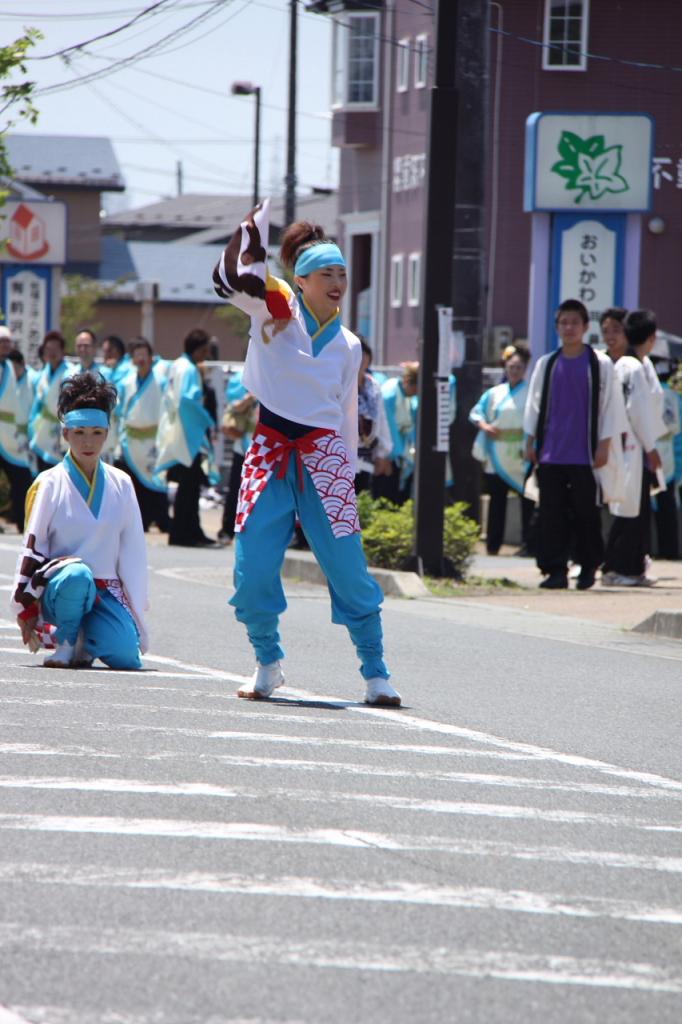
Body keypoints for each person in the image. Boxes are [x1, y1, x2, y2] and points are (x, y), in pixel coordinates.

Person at [212, 198, 399, 707]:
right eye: (326, 274)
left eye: (342, 272)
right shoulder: (271, 310)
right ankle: (267, 662)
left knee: (349, 570)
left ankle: (376, 673)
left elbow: (342, 411)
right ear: (301, 280)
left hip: (326, 458)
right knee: (250, 573)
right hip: (269, 452)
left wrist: (344, 474)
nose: (337, 282)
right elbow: (230, 278)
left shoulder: (350, 345)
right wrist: (253, 233)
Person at [11, 372, 148, 669]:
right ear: (65, 434)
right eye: (80, 432)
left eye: (97, 433)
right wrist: (26, 606)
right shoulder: (48, 483)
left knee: (127, 658)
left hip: (104, 589)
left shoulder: (122, 483)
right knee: (77, 575)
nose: (88, 441)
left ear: (108, 433)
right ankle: (67, 642)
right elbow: (32, 546)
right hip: (61, 588)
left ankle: (87, 638)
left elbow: (133, 550)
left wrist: (136, 611)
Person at [524, 298, 621, 591]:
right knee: (551, 515)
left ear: (585, 327)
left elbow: (611, 405)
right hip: (552, 452)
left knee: (586, 514)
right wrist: (531, 439)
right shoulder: (547, 363)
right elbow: (535, 404)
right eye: (563, 323)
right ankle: (554, 570)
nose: (569, 328)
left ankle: (588, 566)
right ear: (557, 327)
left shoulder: (599, 363)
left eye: (574, 323)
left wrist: (604, 444)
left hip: (585, 454)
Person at [602, 309, 665, 586]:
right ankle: (622, 567)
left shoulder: (637, 364)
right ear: (651, 338)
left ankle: (631, 565)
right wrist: (651, 447)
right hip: (634, 444)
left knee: (633, 508)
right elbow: (638, 410)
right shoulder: (634, 367)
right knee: (630, 509)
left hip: (631, 442)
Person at [469, 344, 533, 555]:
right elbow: (476, 413)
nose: (514, 370)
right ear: (506, 366)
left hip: (520, 451)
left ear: (525, 368)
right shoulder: (494, 393)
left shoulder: (531, 392)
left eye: (519, 367)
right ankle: (493, 545)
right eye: (511, 366)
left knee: (527, 499)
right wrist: (485, 426)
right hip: (496, 451)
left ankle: (527, 543)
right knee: (497, 501)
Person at [156, 328, 216, 546]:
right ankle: (185, 533)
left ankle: (189, 530)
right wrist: (207, 419)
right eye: (205, 349)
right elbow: (188, 400)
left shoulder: (176, 365)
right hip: (188, 434)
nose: (207, 354)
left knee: (188, 485)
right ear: (199, 349)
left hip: (175, 429)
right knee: (189, 487)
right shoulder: (189, 369)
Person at [117, 338, 171, 533]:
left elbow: (169, 410)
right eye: (136, 354)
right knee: (132, 485)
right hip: (130, 442)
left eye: (143, 354)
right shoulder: (125, 383)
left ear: (151, 357)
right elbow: (119, 411)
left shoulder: (162, 381)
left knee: (156, 481)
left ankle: (160, 520)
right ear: (131, 359)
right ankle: (136, 523)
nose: (140, 359)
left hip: (154, 440)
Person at [218, 367, 258, 544]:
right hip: (243, 444)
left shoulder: (278, 370)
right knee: (236, 489)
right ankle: (227, 530)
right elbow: (235, 404)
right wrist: (251, 396)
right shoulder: (242, 375)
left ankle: (253, 531)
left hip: (269, 447)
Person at [372, 361, 419, 505]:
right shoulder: (390, 394)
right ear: (408, 382)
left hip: (398, 452)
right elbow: (388, 428)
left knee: (396, 495)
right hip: (386, 453)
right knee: (385, 496)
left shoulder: (407, 395)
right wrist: (390, 455)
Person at [0, 328, 33, 531]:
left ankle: (23, 522)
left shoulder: (11, 368)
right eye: (2, 341)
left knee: (21, 477)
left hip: (9, 436)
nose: (5, 345)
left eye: (8, 342)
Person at [29, 330, 74, 473]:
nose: (52, 353)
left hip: (60, 430)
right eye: (48, 349)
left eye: (56, 349)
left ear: (62, 351)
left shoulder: (70, 372)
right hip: (41, 430)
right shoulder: (43, 372)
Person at [355, 338, 392, 494]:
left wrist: (383, 452)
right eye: (358, 354)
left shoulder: (373, 385)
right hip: (345, 452)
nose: (362, 359)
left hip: (368, 452)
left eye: (365, 355)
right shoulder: (341, 382)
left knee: (363, 499)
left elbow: (381, 419)